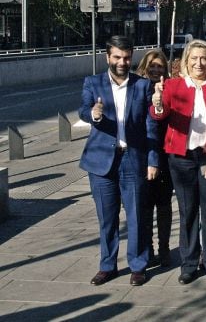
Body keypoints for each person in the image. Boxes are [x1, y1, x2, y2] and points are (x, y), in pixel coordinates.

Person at [150, 39, 206, 285]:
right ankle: (188, 264)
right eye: (194, 58)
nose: (199, 63)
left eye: (204, 58)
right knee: (188, 211)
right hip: (181, 159)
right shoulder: (173, 86)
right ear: (186, 61)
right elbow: (160, 114)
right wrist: (157, 103)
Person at [78, 36, 159, 286]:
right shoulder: (93, 83)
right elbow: (83, 109)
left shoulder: (143, 85)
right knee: (107, 217)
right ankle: (107, 265)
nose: (122, 62)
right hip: (101, 162)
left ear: (131, 56)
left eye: (126, 57)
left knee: (136, 216)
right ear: (107, 57)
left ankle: (138, 265)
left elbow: (151, 126)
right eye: (117, 57)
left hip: (133, 159)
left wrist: (152, 159)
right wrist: (94, 114)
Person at [135, 49, 173, 268]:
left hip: (166, 153)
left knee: (164, 203)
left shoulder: (169, 88)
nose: (156, 69)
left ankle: (165, 248)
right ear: (145, 66)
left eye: (160, 66)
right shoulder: (138, 88)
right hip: (144, 153)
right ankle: (147, 248)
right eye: (152, 65)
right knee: (145, 205)